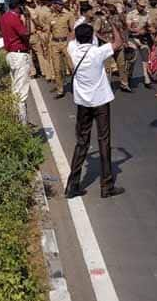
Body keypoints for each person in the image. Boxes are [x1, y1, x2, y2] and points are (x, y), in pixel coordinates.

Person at [64, 22, 125, 200]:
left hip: (83, 102)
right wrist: (113, 23)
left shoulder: (73, 51)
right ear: (92, 37)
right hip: (100, 101)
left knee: (82, 141)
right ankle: (106, 186)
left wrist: (77, 23)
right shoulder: (97, 52)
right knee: (104, 141)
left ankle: (72, 185)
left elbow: (70, 38)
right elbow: (118, 42)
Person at [0, 0, 32, 124]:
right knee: (21, 93)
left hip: (10, 53)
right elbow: (26, 34)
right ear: (20, 6)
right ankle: (22, 124)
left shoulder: (4, 17)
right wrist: (28, 19)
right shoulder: (14, 18)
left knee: (15, 89)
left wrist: (7, 39)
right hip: (19, 55)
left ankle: (17, 120)